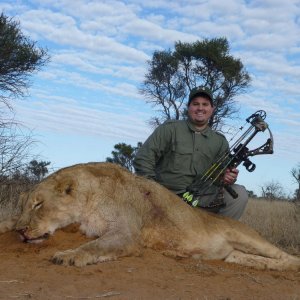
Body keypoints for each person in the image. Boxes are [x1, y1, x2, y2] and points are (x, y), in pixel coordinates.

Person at [133, 87, 248, 220]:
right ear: (188, 107)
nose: (200, 108)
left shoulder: (220, 141)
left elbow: (219, 176)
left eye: (205, 104)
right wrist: (153, 191)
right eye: (195, 104)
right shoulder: (169, 129)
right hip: (165, 194)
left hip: (200, 197)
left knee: (239, 194)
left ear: (212, 109)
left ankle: (218, 237)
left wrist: (227, 178)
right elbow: (143, 159)